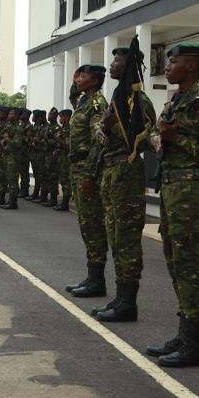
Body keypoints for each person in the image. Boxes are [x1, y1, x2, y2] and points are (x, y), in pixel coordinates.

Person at [147, 43, 199, 368]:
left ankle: (195, 343)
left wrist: (175, 139)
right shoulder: (175, 100)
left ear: (192, 66)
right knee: (175, 261)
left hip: (191, 189)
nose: (167, 66)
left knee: (189, 264)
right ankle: (184, 333)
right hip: (171, 187)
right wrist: (158, 137)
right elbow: (157, 133)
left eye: (174, 61)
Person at [92, 46, 156, 323]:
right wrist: (104, 128)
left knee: (127, 239)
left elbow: (150, 132)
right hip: (111, 171)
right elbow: (100, 134)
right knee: (115, 237)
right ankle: (120, 297)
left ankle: (128, 302)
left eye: (118, 60)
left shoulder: (138, 100)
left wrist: (118, 131)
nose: (112, 64)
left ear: (129, 66)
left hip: (127, 173)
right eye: (113, 59)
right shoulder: (117, 98)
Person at [64, 65, 109, 298]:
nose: (79, 79)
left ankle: (97, 281)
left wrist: (90, 175)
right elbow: (73, 95)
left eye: (83, 76)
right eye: (78, 75)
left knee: (93, 225)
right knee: (86, 224)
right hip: (78, 168)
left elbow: (97, 142)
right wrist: (74, 81)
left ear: (95, 80)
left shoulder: (96, 104)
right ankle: (92, 277)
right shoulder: (83, 101)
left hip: (87, 169)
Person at [52, 109, 72, 211]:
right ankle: (63, 203)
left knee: (66, 181)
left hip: (65, 159)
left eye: (61, 117)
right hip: (60, 158)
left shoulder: (69, 129)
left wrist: (57, 138)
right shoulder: (62, 129)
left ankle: (65, 203)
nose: (60, 119)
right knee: (62, 180)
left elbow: (68, 145)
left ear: (67, 117)